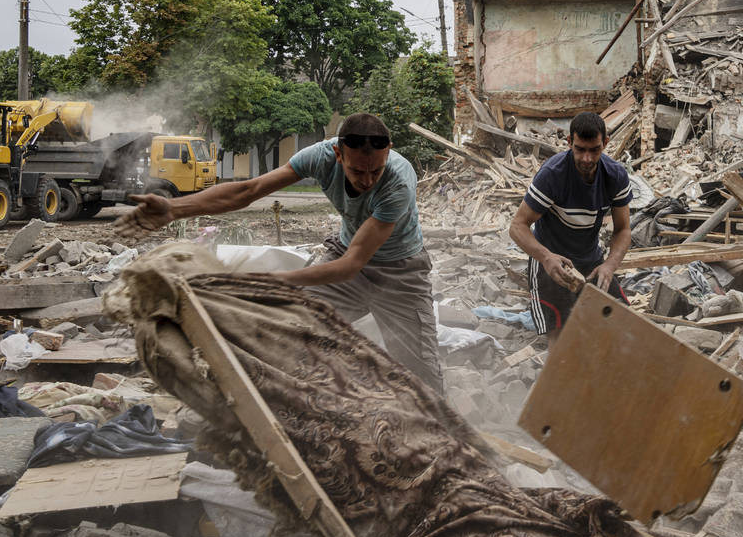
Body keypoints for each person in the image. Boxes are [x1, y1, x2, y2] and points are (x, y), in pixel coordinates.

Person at [115, 113, 444, 396]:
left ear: (388, 155)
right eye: (359, 171)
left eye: (377, 170)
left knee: (421, 374)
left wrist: (272, 280)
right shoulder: (319, 157)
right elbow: (249, 190)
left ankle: (450, 445)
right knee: (289, 330)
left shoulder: (398, 183)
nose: (368, 180)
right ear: (338, 155)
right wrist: (173, 208)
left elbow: (350, 265)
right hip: (346, 254)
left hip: (399, 273)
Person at [509, 112, 632, 347]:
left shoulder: (615, 176)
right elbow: (517, 226)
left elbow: (623, 229)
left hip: (590, 258)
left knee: (621, 324)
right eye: (580, 149)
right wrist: (546, 257)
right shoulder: (552, 175)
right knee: (561, 336)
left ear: (605, 143)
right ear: (569, 143)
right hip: (550, 259)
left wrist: (609, 265)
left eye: (594, 150)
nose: (586, 158)